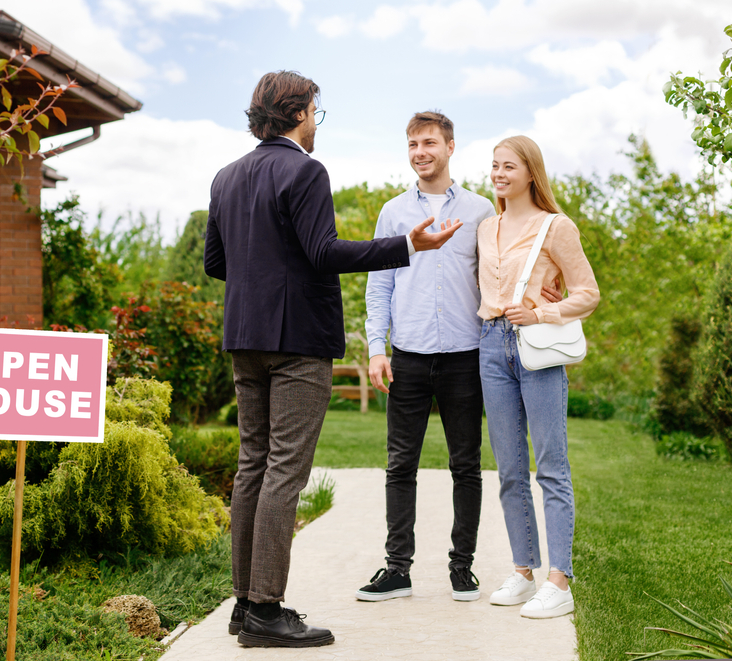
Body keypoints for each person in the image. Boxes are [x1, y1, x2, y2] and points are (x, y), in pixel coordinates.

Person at [204, 70, 463, 648]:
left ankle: (244, 606)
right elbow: (322, 253)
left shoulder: (226, 177)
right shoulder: (305, 170)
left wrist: (267, 273)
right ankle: (267, 611)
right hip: (298, 345)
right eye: (315, 111)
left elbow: (217, 264)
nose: (317, 121)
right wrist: (407, 246)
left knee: (253, 466)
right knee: (283, 472)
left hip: (244, 340)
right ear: (298, 113)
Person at [356, 111, 494, 603]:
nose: (420, 152)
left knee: (467, 466)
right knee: (400, 466)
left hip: (465, 356)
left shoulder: (481, 211)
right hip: (408, 357)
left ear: (451, 146)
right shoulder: (393, 212)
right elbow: (380, 283)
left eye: (429, 142)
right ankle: (397, 569)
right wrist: (376, 348)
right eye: (413, 143)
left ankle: (463, 568)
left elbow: (495, 276)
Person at [476, 135, 599, 619]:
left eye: (509, 166)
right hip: (491, 346)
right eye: (494, 166)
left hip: (537, 350)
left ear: (531, 173)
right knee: (509, 470)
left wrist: (546, 314)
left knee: (550, 467)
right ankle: (524, 572)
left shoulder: (557, 226)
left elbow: (587, 293)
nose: (499, 174)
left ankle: (559, 581)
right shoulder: (488, 228)